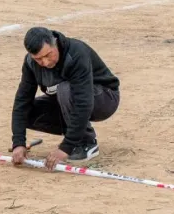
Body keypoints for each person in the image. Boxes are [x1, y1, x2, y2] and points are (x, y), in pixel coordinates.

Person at [11, 27, 120, 171]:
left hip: (104, 98)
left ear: (55, 43)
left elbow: (83, 102)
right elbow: (22, 101)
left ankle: (86, 143)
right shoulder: (30, 63)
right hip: (67, 101)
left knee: (65, 89)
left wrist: (66, 147)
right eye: (38, 59)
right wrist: (18, 143)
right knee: (28, 114)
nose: (45, 62)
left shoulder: (76, 54)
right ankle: (75, 133)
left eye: (48, 55)